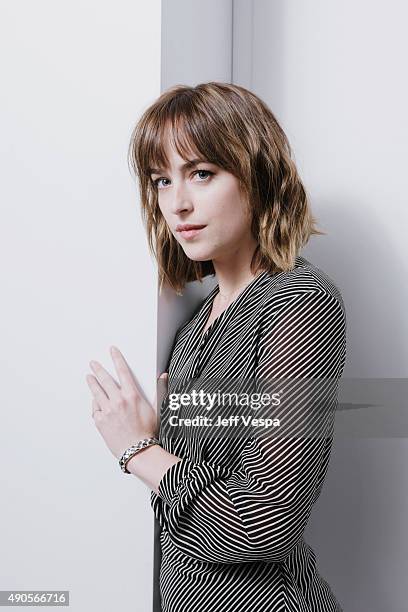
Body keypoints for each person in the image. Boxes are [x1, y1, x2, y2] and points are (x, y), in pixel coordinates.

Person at [86, 82, 347, 611]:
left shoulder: (299, 304)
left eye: (201, 173)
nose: (177, 204)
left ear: (257, 173)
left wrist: (138, 450)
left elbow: (263, 520)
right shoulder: (193, 325)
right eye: (161, 181)